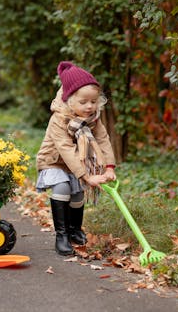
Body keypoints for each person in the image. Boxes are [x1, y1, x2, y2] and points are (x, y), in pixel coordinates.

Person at [36, 61, 117, 256]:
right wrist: (87, 176)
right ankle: (61, 236)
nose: (89, 106)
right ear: (69, 100)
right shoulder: (59, 119)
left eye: (93, 101)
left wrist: (109, 167)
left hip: (76, 164)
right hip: (54, 161)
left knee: (78, 193)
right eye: (83, 102)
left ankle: (75, 230)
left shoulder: (93, 118)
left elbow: (103, 140)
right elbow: (65, 149)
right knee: (63, 187)